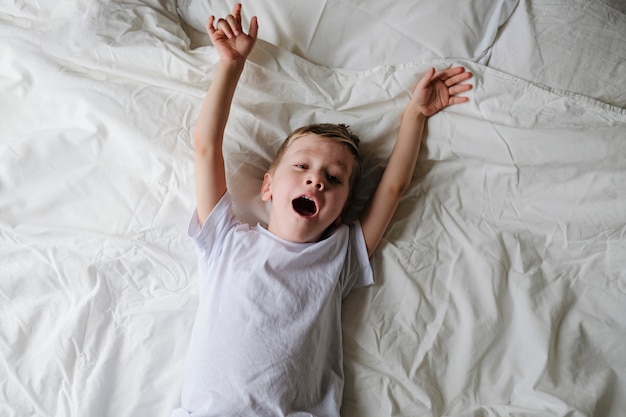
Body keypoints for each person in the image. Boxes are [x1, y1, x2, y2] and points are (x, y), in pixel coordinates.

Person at [171, 4, 472, 417]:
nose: (316, 181)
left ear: (343, 210)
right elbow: (206, 148)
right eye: (302, 167)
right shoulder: (225, 238)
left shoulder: (340, 254)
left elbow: (393, 187)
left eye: (333, 179)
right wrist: (231, 64)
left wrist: (414, 115)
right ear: (268, 186)